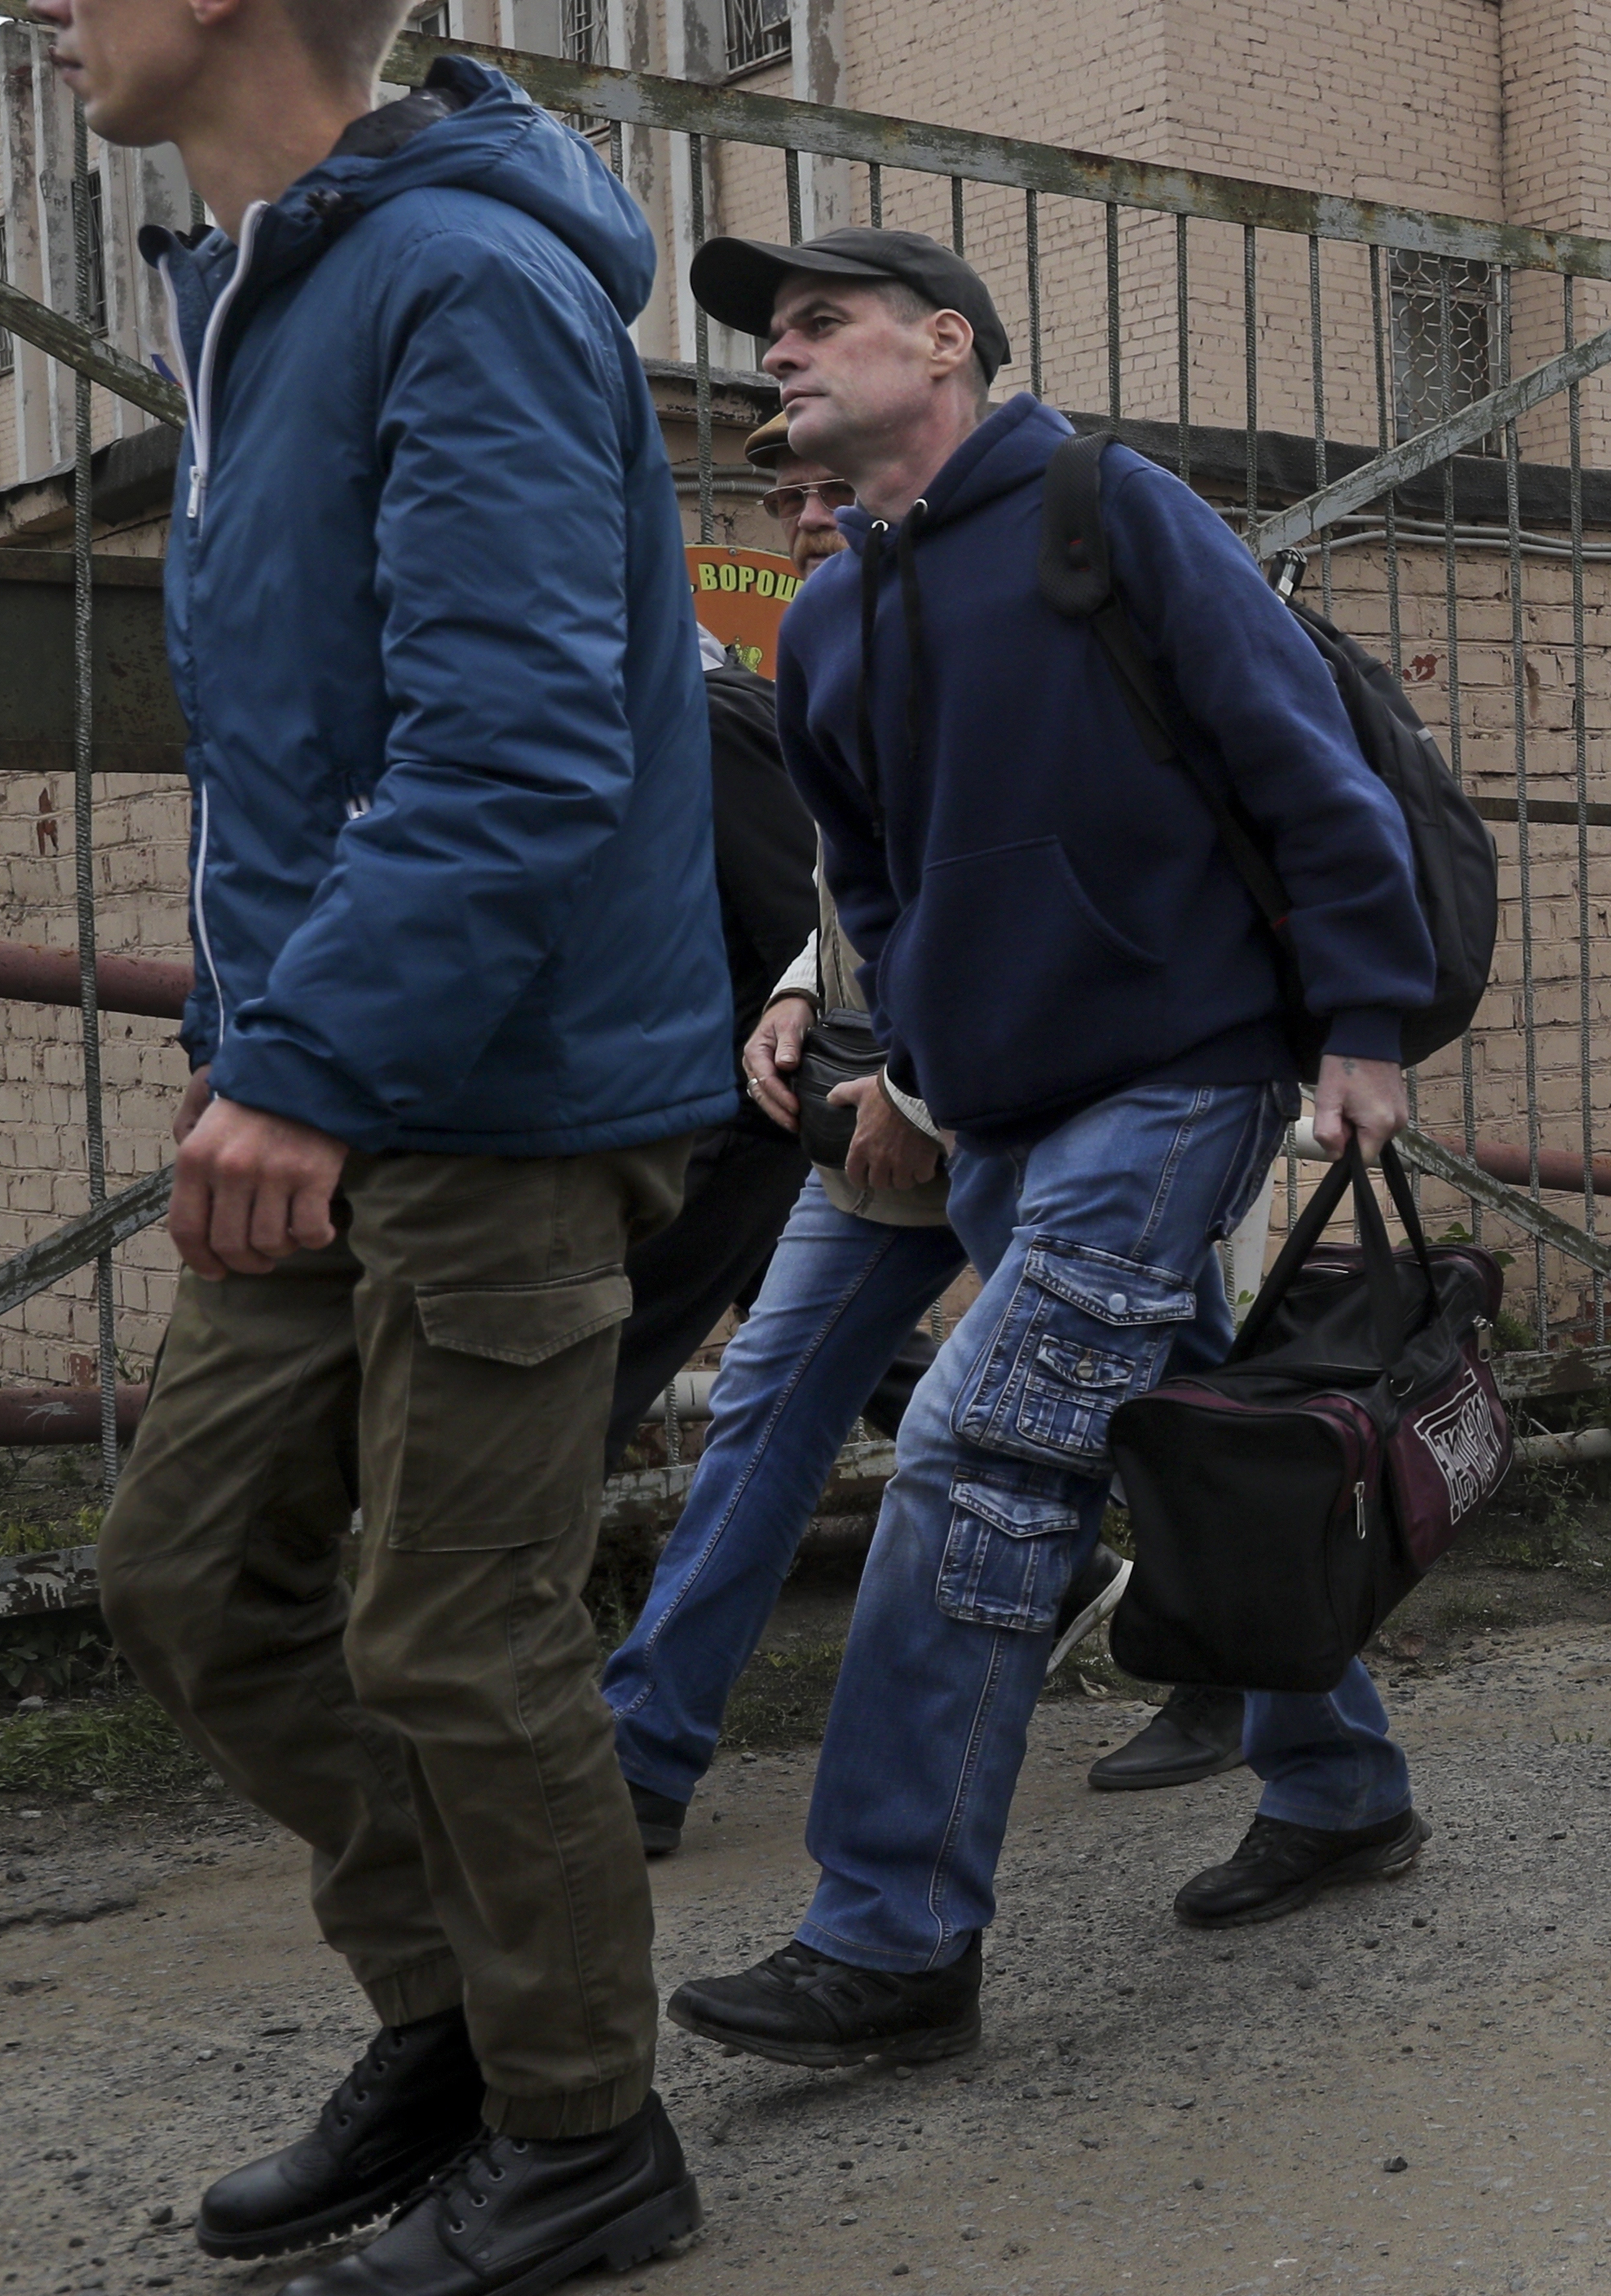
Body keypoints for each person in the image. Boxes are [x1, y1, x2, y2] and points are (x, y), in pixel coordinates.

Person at [41, 0, 726, 2296]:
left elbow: (525, 739)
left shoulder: (459, 281)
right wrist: (282, 1048)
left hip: (502, 1095)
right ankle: (454, 2022)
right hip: (341, 1067)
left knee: (458, 1633)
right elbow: (324, 741)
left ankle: (588, 2132)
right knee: (193, 1572)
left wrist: (305, 1068)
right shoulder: (265, 287)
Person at [664, 223, 1443, 2070]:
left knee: (971, 1452)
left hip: (1177, 1079)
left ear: (945, 344)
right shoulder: (836, 611)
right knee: (1191, 1458)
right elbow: (866, 880)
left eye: (819, 323)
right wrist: (912, 1078)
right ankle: (1337, 1783)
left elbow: (1301, 768)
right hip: (991, 1116)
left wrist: (1357, 1021)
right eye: (766, 337)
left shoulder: (1112, 510)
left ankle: (891, 1934)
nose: (781, 356)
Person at [599, 407, 996, 1859]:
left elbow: (1036, 870)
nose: (809, 519)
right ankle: (641, 1749)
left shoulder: (997, 641)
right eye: (793, 498)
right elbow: (841, 881)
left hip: (1063, 1117)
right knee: (765, 1407)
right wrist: (786, 994)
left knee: (1166, 1414)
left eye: (842, 491)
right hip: (874, 1111)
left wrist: (923, 1085)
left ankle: (1311, 1732)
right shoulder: (832, 662)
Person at [597, 446, 829, 1470]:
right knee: (833, 1349)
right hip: (706, 1100)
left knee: (580, 1375)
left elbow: (795, 921)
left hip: (730, 1114)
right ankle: (1111, 1534)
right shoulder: (655, 712)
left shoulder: (707, 714)